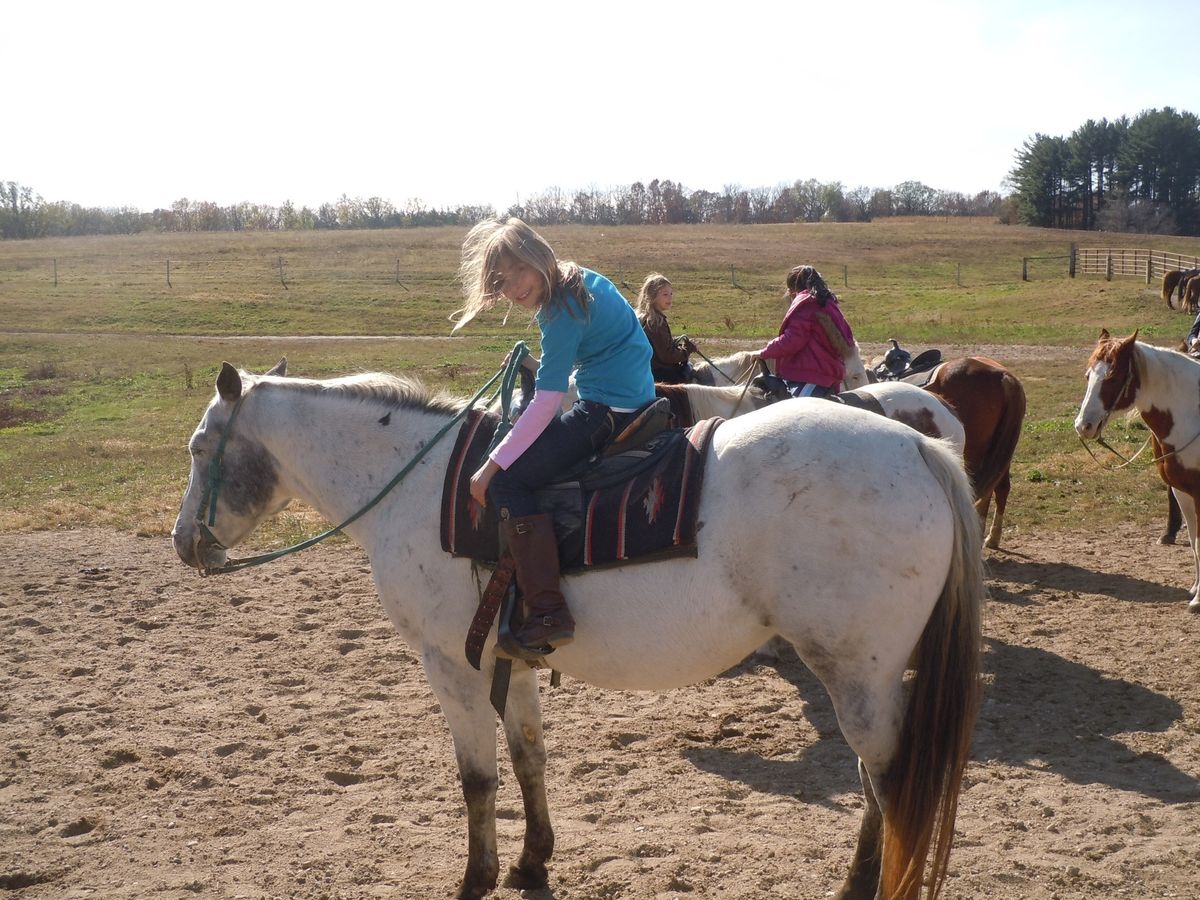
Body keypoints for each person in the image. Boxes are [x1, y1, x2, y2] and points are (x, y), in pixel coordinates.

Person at [455, 218, 655, 653]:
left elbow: (546, 402)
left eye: (519, 272)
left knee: (509, 479)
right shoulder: (578, 280)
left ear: (537, 257)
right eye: (503, 283)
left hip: (604, 410)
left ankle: (547, 611)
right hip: (632, 396)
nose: (514, 288)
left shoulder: (560, 309)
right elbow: (571, 366)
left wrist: (491, 466)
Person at [757, 265, 854, 398]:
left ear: (792, 290)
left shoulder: (806, 306)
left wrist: (764, 352)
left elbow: (792, 341)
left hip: (812, 376)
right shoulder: (828, 303)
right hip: (827, 375)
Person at [635, 273, 697, 384]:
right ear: (653, 296)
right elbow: (667, 355)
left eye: (671, 294)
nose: (670, 297)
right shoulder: (655, 322)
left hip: (650, 370)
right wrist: (686, 350)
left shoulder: (644, 317)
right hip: (661, 374)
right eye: (665, 294)